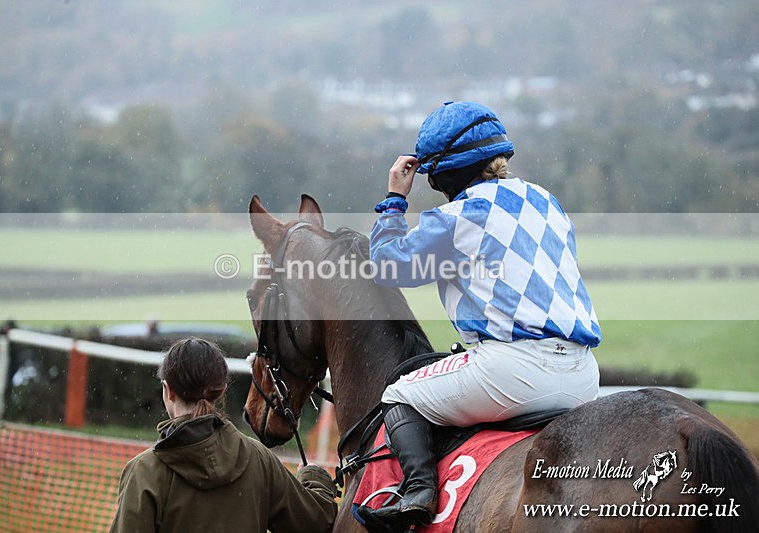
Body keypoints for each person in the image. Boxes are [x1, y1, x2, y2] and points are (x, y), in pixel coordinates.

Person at [365, 101, 601, 529]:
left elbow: (387, 267)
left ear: (442, 176)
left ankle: (418, 492)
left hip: (513, 371)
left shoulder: (459, 215)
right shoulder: (546, 200)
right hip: (584, 374)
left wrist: (395, 199)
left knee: (398, 394)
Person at [110, 337, 337, 533]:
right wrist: (314, 478)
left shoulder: (144, 471)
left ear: (168, 390)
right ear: (222, 390)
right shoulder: (259, 459)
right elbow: (315, 521)